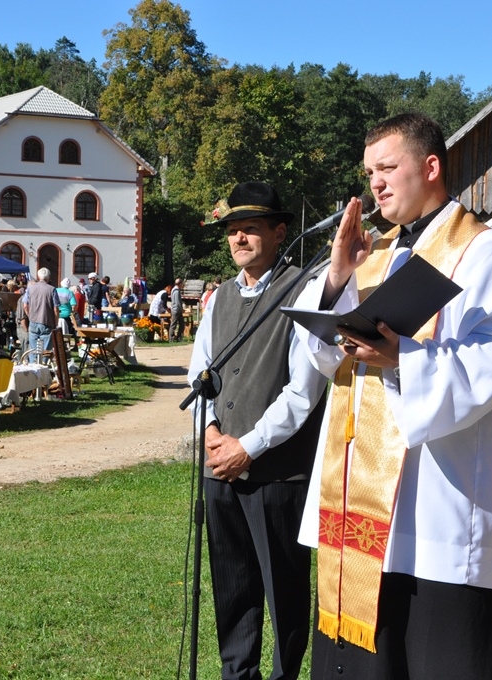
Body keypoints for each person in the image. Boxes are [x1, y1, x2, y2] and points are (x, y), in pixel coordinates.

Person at [294, 113, 492, 679]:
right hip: (359, 489)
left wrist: (404, 357)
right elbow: (323, 356)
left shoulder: (485, 250)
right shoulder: (371, 255)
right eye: (369, 172)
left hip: (438, 492)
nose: (375, 183)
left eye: (387, 168)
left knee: (433, 651)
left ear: (430, 167)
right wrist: (336, 277)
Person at [188, 181, 328, 680]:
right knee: (232, 590)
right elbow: (198, 374)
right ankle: (238, 674)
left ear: (279, 232)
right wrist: (209, 433)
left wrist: (246, 447)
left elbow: (302, 393)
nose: (239, 238)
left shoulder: (303, 291)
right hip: (219, 471)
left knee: (284, 592)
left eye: (251, 228)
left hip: (277, 475)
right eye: (233, 230)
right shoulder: (218, 299)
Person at [24, 267, 59, 357]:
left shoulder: (30, 288)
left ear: (38, 277)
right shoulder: (52, 289)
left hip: (33, 321)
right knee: (46, 351)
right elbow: (56, 309)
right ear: (48, 277)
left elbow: (25, 306)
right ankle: (43, 368)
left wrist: (30, 316)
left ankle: (32, 367)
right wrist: (56, 323)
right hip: (47, 321)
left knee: (33, 350)